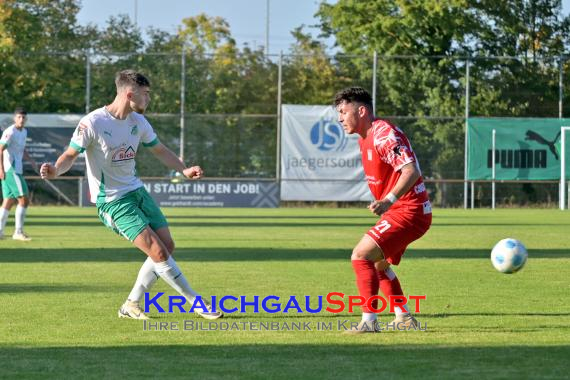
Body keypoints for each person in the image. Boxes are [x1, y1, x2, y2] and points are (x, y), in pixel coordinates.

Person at [40, 69, 222, 321]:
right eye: (146, 94)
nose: (148, 99)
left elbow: (160, 150)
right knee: (158, 253)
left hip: (136, 191)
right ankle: (197, 302)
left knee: (167, 246)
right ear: (129, 94)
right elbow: (70, 155)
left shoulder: (138, 122)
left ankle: (131, 304)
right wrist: (54, 171)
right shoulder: (93, 122)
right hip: (113, 202)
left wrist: (184, 168)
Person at [334, 87, 432, 333]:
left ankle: (369, 321)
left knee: (361, 255)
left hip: (409, 210)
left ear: (362, 110)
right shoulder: (366, 137)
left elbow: (411, 170)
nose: (340, 118)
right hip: (401, 210)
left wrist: (388, 199)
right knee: (378, 266)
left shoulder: (384, 134)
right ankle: (404, 317)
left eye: (344, 112)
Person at [0, 107, 37, 241]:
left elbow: (21, 149)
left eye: (23, 117)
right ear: (14, 118)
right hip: (11, 170)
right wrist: (1, 169)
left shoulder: (24, 131)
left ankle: (0, 231)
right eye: (19, 117)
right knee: (24, 199)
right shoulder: (10, 131)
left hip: (16, 169)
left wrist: (31, 161)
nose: (21, 119)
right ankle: (18, 232)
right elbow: (0, 149)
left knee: (8, 201)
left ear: (26, 119)